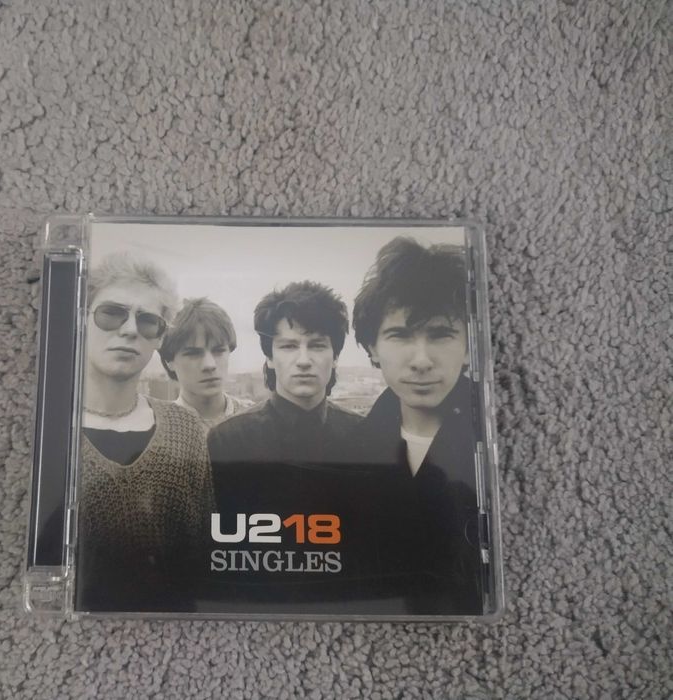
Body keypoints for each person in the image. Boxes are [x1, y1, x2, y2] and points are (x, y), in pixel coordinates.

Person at [206, 281, 390, 611]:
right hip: (257, 604)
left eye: (317, 345)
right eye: (289, 346)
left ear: (335, 356)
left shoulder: (366, 435)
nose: (304, 360)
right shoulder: (228, 439)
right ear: (270, 357)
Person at [352, 236, 484, 614]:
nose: (421, 360)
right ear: (373, 349)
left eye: (441, 334)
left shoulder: (496, 440)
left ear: (469, 346)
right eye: (400, 335)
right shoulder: (351, 447)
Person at [76, 253, 214, 612]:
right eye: (111, 313)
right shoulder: (51, 429)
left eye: (148, 321)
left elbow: (206, 547)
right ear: (82, 318)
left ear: (159, 338)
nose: (129, 330)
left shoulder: (185, 428)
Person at [158, 298, 252, 428]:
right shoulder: (160, 428)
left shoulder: (255, 420)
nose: (209, 365)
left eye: (218, 351)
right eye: (193, 353)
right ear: (169, 361)